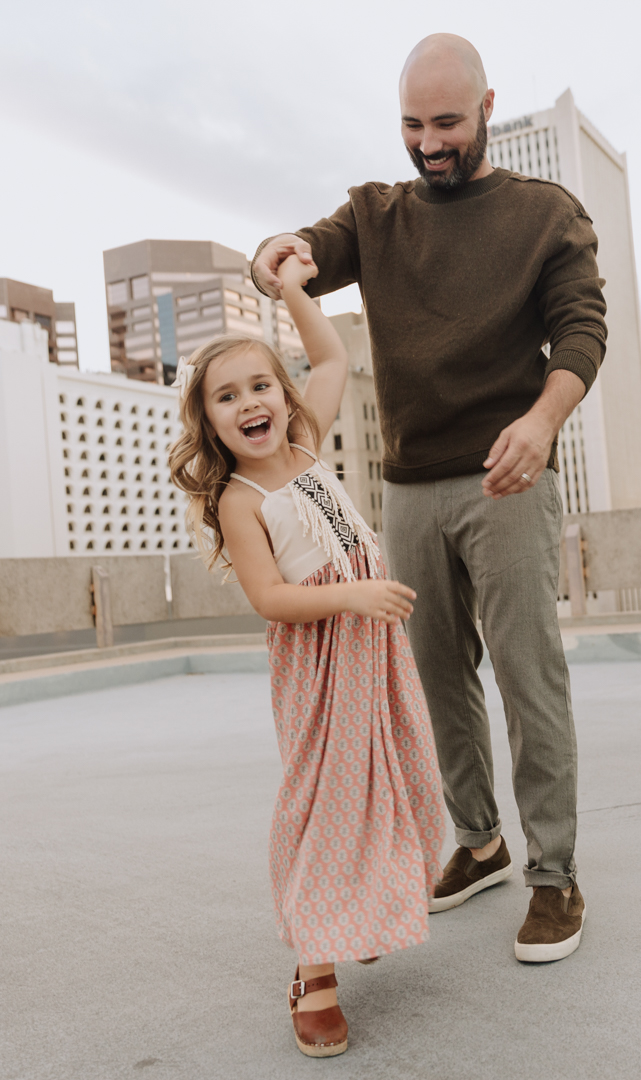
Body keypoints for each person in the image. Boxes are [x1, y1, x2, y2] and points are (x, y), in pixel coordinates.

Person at [251, 33, 605, 964]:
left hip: (507, 475)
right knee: (435, 678)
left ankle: (555, 876)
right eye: (412, 125)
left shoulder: (545, 215)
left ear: (488, 106)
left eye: (446, 123)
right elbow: (304, 253)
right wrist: (275, 252)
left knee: (529, 678)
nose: (429, 142)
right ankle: (480, 842)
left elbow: (581, 333)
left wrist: (542, 421)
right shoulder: (378, 214)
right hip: (407, 489)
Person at [168, 254, 444, 1058]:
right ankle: (313, 967)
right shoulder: (240, 498)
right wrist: (353, 597)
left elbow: (333, 358)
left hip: (376, 653)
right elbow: (271, 599)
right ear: (211, 423)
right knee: (328, 804)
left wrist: (290, 289)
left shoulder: (308, 445)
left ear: (280, 397)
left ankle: (361, 908)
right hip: (322, 663)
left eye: (259, 386)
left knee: (396, 777)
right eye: (226, 397)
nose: (248, 404)